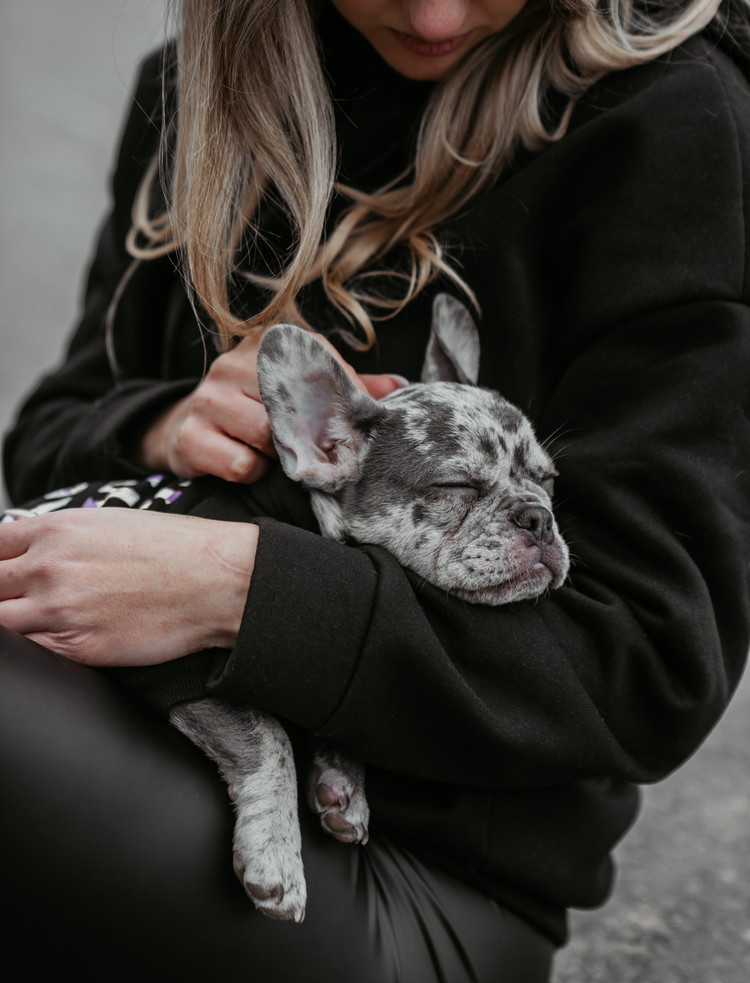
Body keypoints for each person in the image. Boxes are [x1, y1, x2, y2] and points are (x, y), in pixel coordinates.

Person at [2, 0, 750, 979]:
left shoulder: (678, 122)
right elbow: (51, 435)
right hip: (117, 733)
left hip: (406, 864)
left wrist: (242, 589)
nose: (434, 16)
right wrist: (159, 422)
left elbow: (652, 660)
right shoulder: (202, 89)